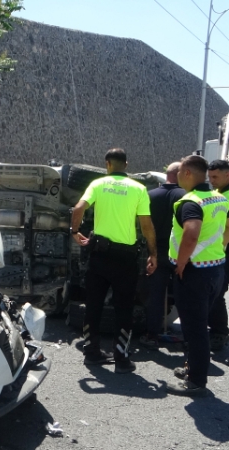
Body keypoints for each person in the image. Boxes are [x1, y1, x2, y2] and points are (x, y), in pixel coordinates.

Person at [70, 148, 157, 373]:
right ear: (126, 165)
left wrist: (74, 231)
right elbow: (146, 226)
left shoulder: (98, 184)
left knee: (94, 305)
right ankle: (121, 358)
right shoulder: (139, 189)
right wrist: (153, 253)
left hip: (99, 255)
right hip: (125, 258)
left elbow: (78, 208)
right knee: (124, 308)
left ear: (107, 163)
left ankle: (91, 353)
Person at [166, 155, 229, 396]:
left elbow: (191, 234)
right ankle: (193, 366)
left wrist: (181, 264)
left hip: (194, 273)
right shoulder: (219, 198)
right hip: (215, 269)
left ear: (188, 173)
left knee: (195, 328)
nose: (178, 175)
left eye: (180, 171)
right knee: (198, 323)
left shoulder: (191, 202)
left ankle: (195, 381)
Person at [139, 162, 185, 350]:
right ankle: (189, 336)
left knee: (156, 295)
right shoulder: (186, 197)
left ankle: (152, 334)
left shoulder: (150, 196)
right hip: (180, 252)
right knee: (184, 296)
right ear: (181, 174)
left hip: (156, 251)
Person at [207, 159, 229, 352]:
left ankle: (219, 333)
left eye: (215, 177)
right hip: (220, 251)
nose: (211, 180)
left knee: (217, 294)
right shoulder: (218, 194)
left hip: (223, 252)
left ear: (227, 174)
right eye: (210, 177)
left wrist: (220, 249)